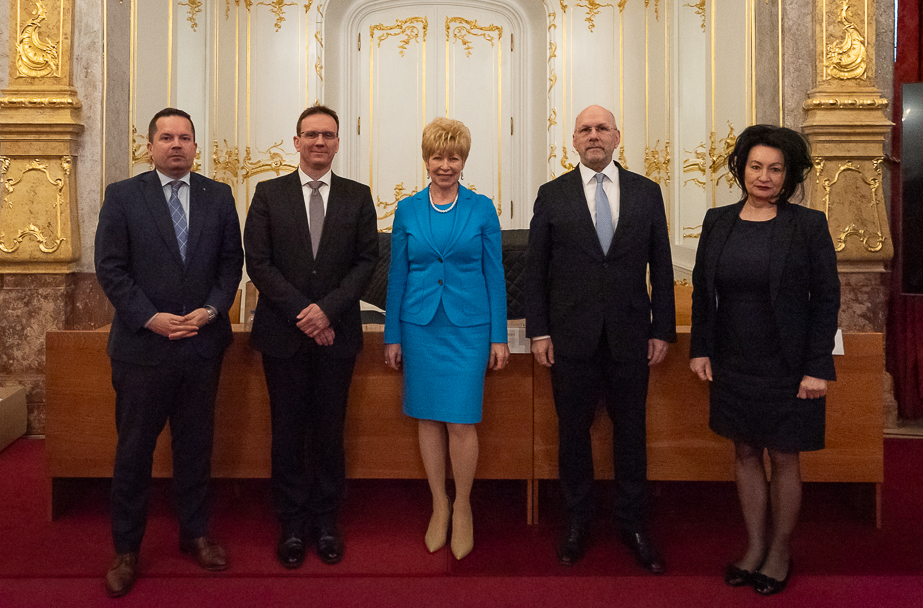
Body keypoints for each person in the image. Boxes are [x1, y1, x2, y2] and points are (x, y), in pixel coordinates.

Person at [95, 107, 244, 598]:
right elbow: (110, 267)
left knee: (195, 447)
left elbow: (231, 264)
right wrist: (150, 317)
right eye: (166, 137)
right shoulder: (122, 196)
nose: (176, 145)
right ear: (150, 146)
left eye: (184, 137)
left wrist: (211, 310)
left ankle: (195, 534)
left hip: (201, 346)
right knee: (134, 452)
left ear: (196, 146)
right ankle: (126, 550)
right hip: (142, 348)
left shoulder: (218, 196)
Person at [688, 124, 840, 596]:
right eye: (756, 166)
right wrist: (700, 348)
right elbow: (701, 292)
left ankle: (780, 550)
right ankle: (754, 545)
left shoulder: (808, 225)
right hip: (733, 360)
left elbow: (827, 299)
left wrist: (817, 367)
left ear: (788, 175)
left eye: (775, 169)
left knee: (785, 455)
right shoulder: (718, 221)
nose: (764, 176)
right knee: (745, 452)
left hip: (789, 365)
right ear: (742, 169)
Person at [525, 104, 675, 574]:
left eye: (602, 128)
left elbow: (662, 267)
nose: (594, 135)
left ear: (616, 137)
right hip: (571, 338)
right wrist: (538, 330)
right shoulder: (552, 195)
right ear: (573, 140)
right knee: (573, 434)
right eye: (585, 129)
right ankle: (577, 521)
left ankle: (633, 523)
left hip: (631, 336)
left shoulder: (647, 192)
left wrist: (663, 328)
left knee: (631, 433)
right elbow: (536, 270)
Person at [245, 105, 379, 569]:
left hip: (336, 334)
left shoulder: (358, 196)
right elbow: (258, 261)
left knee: (328, 431)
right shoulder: (268, 193)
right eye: (311, 134)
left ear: (338, 142)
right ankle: (290, 524)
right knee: (286, 432)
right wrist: (304, 312)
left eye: (328, 134)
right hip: (283, 334)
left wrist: (327, 311)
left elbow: (366, 261)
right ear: (296, 141)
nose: (320, 141)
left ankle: (325, 521)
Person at [383, 117, 508, 560]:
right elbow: (398, 275)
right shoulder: (407, 210)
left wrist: (498, 337)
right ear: (426, 159)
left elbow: (495, 274)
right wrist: (393, 336)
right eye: (437, 156)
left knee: (460, 421)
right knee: (427, 419)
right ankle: (439, 504)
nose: (445, 165)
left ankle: (464, 506)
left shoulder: (482, 208)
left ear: (463, 161)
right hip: (419, 327)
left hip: (468, 329)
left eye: (453, 157)